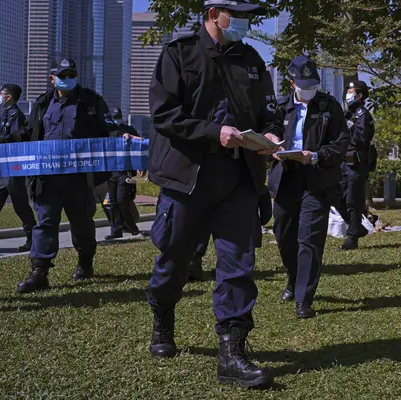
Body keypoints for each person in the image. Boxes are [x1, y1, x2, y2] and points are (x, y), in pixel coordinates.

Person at [145, 0, 281, 389]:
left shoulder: (252, 59)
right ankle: (162, 318)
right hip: (188, 177)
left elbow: (269, 112)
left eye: (247, 14)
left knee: (238, 265)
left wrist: (269, 133)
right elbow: (163, 115)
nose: (244, 21)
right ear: (213, 13)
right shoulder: (179, 53)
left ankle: (232, 355)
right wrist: (212, 132)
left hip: (238, 178)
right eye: (236, 13)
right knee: (175, 259)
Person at [16, 58, 123, 293]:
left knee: (82, 222)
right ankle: (39, 271)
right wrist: (4, 143)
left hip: (78, 177)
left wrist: (123, 136)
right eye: (61, 75)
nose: (66, 79)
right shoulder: (43, 103)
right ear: (52, 78)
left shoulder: (91, 101)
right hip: (47, 177)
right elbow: (29, 133)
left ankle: (85, 262)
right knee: (44, 223)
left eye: (70, 74)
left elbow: (109, 128)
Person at [270, 55, 350, 319]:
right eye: (303, 85)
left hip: (316, 180)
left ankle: (304, 299)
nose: (309, 90)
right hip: (285, 178)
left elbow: (340, 144)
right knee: (284, 234)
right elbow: (267, 132)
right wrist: (271, 146)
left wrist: (315, 156)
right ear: (292, 83)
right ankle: (293, 279)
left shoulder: (330, 107)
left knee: (310, 240)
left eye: (313, 84)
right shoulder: (280, 107)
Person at [0, 84, 36, 252]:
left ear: (9, 96)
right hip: (2, 166)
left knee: (20, 205)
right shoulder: (4, 113)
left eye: (1, 94)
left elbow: (16, 138)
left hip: (13, 167)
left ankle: (33, 239)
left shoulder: (15, 115)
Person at [335, 80, 375, 251]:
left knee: (353, 200)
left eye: (351, 91)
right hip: (343, 163)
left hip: (356, 164)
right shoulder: (347, 113)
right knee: (336, 195)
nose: (348, 94)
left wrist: (345, 134)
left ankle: (352, 237)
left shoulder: (362, 115)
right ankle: (356, 227)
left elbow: (359, 139)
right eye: (347, 91)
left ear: (359, 95)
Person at [105, 107, 144, 240]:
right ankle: (116, 229)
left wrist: (140, 164)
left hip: (125, 170)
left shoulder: (129, 129)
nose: (116, 119)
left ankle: (132, 227)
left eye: (118, 116)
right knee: (113, 202)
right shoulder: (107, 130)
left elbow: (140, 143)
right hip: (111, 170)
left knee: (123, 200)